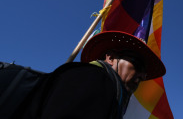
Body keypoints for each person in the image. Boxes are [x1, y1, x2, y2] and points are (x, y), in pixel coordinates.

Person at [14, 31, 166, 119]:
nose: (141, 76)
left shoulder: (111, 92)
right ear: (111, 58)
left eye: (145, 74)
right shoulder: (94, 78)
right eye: (137, 65)